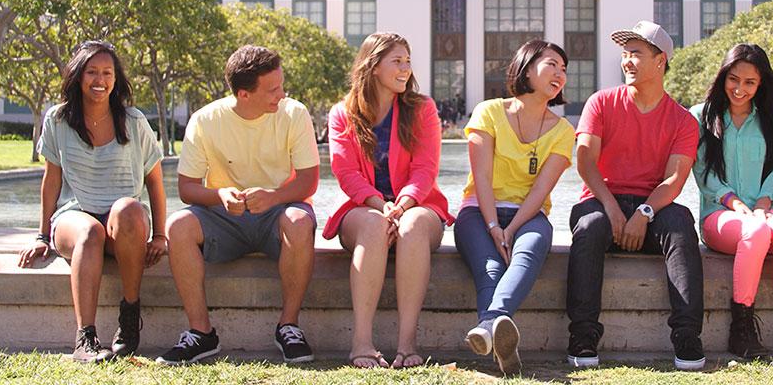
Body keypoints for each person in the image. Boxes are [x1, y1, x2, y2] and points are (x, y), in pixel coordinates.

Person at [157, 45, 320, 365]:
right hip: (224, 218)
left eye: (281, 85)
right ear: (244, 94)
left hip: (277, 214)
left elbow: (308, 182)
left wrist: (273, 196)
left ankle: (289, 327)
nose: (281, 94)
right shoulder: (205, 120)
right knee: (178, 226)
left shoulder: (294, 113)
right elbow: (186, 188)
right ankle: (201, 333)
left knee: (300, 221)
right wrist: (220, 195)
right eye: (273, 89)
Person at [565, 20, 705, 370]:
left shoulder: (683, 121)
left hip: (652, 207)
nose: (627, 61)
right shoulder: (601, 102)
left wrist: (643, 212)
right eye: (625, 54)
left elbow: (674, 180)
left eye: (637, 54)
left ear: (660, 61)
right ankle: (582, 336)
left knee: (681, 223)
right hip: (601, 201)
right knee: (589, 226)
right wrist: (612, 209)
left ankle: (687, 336)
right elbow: (584, 162)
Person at [17, 40, 166, 363]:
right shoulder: (57, 120)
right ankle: (85, 338)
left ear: (116, 79)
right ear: (78, 76)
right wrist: (42, 235)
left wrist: (160, 235)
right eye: (92, 72)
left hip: (122, 224)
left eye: (107, 73)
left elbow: (155, 182)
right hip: (74, 217)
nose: (100, 80)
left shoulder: (134, 121)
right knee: (89, 232)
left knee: (128, 208)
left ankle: (129, 316)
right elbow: (51, 181)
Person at [324, 32, 454, 369]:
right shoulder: (342, 113)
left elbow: (426, 168)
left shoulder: (422, 108)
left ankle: (407, 346)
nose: (406, 69)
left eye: (408, 61)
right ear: (373, 65)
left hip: (418, 207)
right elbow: (346, 173)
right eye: (397, 61)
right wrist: (380, 205)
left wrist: (403, 204)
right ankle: (362, 345)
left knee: (410, 226)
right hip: (365, 210)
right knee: (373, 224)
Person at [454, 40, 575, 375]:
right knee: (491, 267)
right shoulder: (489, 111)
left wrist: (510, 228)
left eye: (564, 69)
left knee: (528, 251)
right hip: (478, 211)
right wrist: (493, 226)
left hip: (529, 215)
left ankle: (488, 326)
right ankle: (499, 339)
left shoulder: (564, 131)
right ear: (526, 66)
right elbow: (481, 177)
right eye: (552, 64)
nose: (560, 74)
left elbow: (540, 190)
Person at [690, 44, 773, 360]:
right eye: (734, 79)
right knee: (755, 232)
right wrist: (734, 203)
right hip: (720, 215)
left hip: (765, 208)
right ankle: (741, 330)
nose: (739, 89)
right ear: (723, 77)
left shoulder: (768, 120)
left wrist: (761, 204)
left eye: (749, 83)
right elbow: (702, 170)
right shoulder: (701, 115)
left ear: (760, 85)